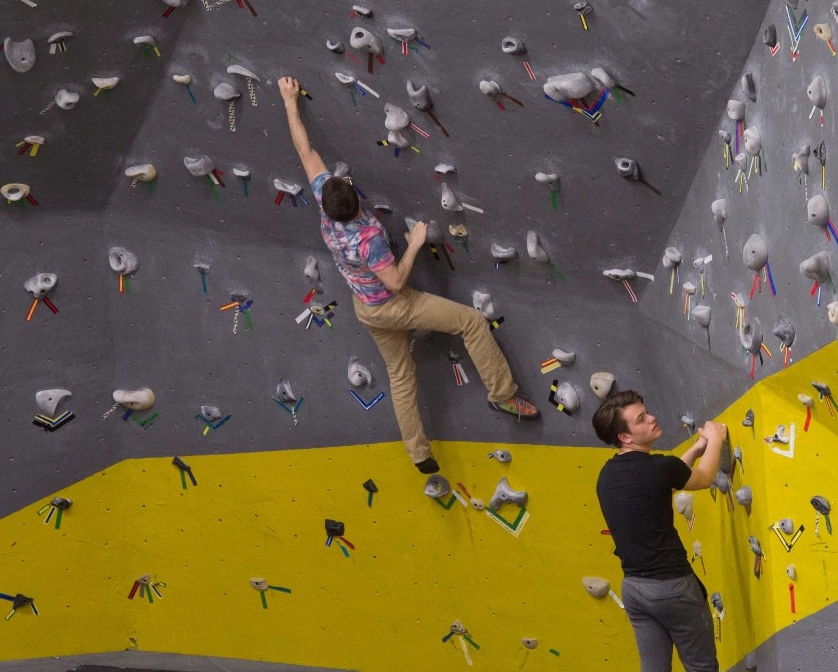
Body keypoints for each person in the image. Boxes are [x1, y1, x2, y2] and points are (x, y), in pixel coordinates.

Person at [279, 77, 540, 474]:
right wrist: (416, 241)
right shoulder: (368, 238)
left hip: (364, 306)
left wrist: (289, 100)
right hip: (392, 304)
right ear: (354, 199)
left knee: (401, 376)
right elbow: (396, 283)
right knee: (470, 322)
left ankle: (419, 455)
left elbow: (305, 150)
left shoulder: (324, 204)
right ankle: (502, 394)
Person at [592, 390, 726, 672]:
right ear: (625, 437)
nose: (651, 418)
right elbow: (702, 479)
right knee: (701, 667)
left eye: (647, 411)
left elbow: (665, 479)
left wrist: (697, 449)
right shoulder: (659, 468)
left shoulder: (607, 475)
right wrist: (715, 440)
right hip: (672, 587)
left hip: (635, 590)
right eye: (641, 419)